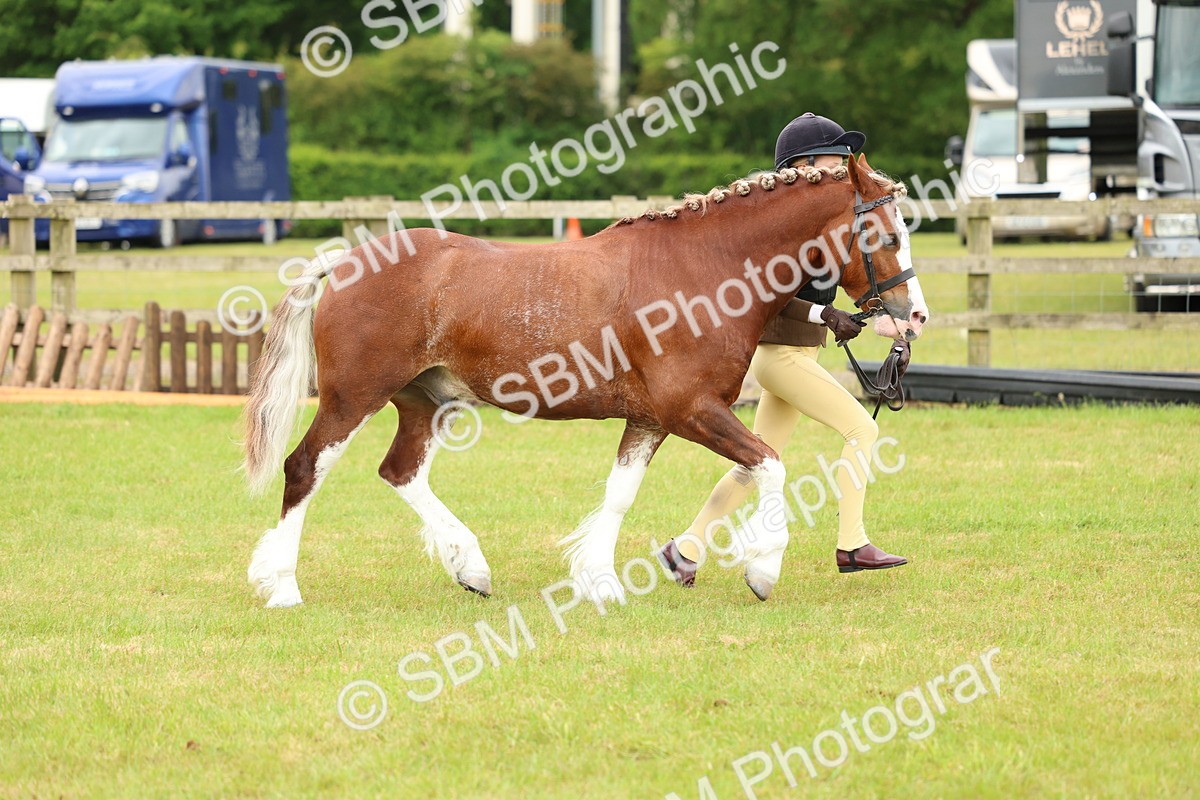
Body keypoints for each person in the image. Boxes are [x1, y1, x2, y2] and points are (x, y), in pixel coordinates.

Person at [658, 112, 910, 586]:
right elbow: (767, 298)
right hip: (780, 358)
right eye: (834, 158)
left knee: (753, 464)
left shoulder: (823, 225)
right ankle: (852, 545)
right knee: (861, 430)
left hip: (799, 356)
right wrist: (823, 314)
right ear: (804, 165)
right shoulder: (781, 233)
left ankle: (684, 548)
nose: (841, 166)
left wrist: (882, 316)